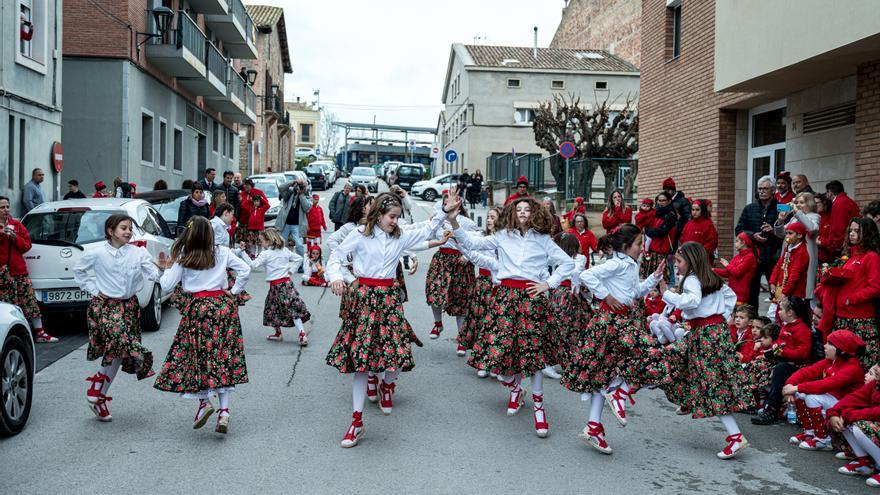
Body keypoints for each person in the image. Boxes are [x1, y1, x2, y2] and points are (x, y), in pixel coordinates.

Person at [448, 193, 575, 439]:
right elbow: (472, 244)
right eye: (519, 210)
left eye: (527, 209)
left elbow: (567, 264)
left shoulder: (543, 240)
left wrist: (548, 284)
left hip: (531, 298)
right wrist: (453, 221)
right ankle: (515, 388)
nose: (523, 213)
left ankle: (539, 408)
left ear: (535, 213)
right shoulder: (502, 236)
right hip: (505, 298)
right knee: (502, 352)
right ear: (513, 214)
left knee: (535, 355)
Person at [325, 193, 447, 448]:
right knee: (360, 361)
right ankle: (356, 421)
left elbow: (427, 229)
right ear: (378, 214)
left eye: (398, 217)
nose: (395, 221)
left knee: (398, 352)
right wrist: (336, 276)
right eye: (392, 217)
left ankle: (388, 385)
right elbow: (336, 256)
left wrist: (445, 211)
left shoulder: (399, 236)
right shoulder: (359, 234)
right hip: (364, 299)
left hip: (389, 299)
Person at [562, 224, 665, 454]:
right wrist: (606, 296)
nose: (642, 248)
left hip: (618, 322)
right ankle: (619, 395)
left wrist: (654, 278)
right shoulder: (617, 263)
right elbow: (586, 274)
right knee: (653, 357)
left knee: (603, 375)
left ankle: (594, 425)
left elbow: (634, 292)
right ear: (626, 246)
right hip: (611, 323)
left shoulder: (628, 264)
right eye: (639, 244)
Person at [154, 216, 251, 434]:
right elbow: (245, 269)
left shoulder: (184, 255)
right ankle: (224, 412)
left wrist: (165, 270)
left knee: (198, 358)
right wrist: (234, 292)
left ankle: (203, 403)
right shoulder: (223, 252)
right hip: (222, 308)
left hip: (198, 308)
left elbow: (167, 284)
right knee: (222, 357)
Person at [660, 242, 749, 459]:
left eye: (679, 262)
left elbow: (692, 301)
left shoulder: (691, 279)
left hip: (705, 334)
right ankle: (689, 400)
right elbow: (730, 297)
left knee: (710, 383)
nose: (676, 266)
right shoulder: (712, 278)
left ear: (690, 261)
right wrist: (721, 317)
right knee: (690, 368)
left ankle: (736, 437)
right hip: (714, 332)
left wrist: (667, 294)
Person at [73, 214, 160, 421]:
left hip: (129, 307)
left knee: (119, 352)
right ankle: (96, 388)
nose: (128, 232)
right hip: (105, 306)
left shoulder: (139, 252)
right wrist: (93, 289)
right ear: (111, 231)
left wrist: (163, 268)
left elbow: (154, 275)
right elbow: (79, 271)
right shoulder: (97, 253)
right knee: (120, 343)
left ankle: (100, 396)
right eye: (123, 228)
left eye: (130, 228)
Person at [783, 329, 865, 451]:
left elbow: (826, 384)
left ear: (841, 349)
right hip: (834, 400)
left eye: (830, 343)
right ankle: (810, 432)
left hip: (846, 405)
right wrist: (789, 384)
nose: (825, 346)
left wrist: (795, 388)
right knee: (800, 393)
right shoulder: (831, 361)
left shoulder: (852, 367)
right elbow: (806, 372)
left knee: (811, 396)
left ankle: (823, 439)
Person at [816, 218, 880, 369]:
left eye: (857, 231)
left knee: (863, 363)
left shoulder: (871, 257)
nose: (852, 234)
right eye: (850, 230)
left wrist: (850, 300)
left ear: (867, 234)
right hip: (843, 318)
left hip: (860, 320)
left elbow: (875, 287)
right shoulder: (850, 257)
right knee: (841, 364)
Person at [0, 196, 57, 343]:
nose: (6, 210)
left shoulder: (16, 225)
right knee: (7, 305)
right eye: (2, 207)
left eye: (7, 207)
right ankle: (11, 336)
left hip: (18, 271)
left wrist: (14, 237)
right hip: (2, 273)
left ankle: (40, 333)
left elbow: (26, 246)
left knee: (29, 302)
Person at [240, 228, 310, 344]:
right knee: (290, 308)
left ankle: (287, 333)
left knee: (272, 309)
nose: (261, 243)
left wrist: (243, 252)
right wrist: (291, 270)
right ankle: (299, 333)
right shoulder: (284, 250)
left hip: (276, 286)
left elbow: (253, 265)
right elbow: (299, 258)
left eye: (262, 241)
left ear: (269, 241)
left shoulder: (266, 254)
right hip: (287, 284)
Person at [751, 296, 813, 426]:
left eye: (781, 309)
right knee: (755, 364)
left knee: (779, 370)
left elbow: (803, 353)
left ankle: (771, 409)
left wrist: (781, 352)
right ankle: (755, 401)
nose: (778, 312)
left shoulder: (802, 329)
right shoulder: (785, 326)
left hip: (796, 366)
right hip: (782, 361)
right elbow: (779, 344)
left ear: (790, 312)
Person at [426, 192, 478, 339]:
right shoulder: (438, 220)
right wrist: (432, 224)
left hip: (460, 261)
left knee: (460, 299)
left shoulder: (467, 222)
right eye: (445, 203)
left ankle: (461, 336)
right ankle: (438, 323)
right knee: (434, 291)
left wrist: (466, 256)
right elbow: (427, 237)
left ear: (458, 203)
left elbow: (474, 242)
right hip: (442, 259)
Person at [457, 207, 502, 375]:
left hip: (499, 285)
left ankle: (494, 362)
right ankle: (483, 361)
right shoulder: (482, 237)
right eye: (488, 217)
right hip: (483, 284)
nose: (489, 220)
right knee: (481, 322)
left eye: (492, 217)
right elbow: (469, 242)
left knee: (495, 324)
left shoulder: (505, 240)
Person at [735, 175, 782, 309]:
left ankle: (778, 321)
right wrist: (752, 235)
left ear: (773, 190)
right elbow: (739, 229)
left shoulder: (782, 207)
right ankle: (752, 321)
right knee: (751, 291)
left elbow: (791, 230)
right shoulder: (749, 208)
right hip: (754, 256)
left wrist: (774, 230)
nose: (761, 191)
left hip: (774, 255)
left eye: (765, 189)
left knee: (777, 292)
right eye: (759, 188)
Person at [828, 365, 880, 485]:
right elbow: (854, 397)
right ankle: (865, 464)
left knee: (860, 425)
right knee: (844, 421)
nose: (876, 368)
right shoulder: (875, 384)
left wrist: (850, 415)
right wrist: (834, 413)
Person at [773, 192, 820, 296]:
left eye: (801, 202)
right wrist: (780, 220)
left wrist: (798, 213)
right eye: (797, 202)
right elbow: (781, 234)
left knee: (801, 288)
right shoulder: (794, 218)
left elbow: (812, 228)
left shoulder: (814, 216)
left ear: (810, 204)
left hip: (804, 255)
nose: (798, 205)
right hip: (789, 255)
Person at [769, 222, 810, 302]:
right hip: (782, 288)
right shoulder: (788, 247)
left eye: (790, 233)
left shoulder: (802, 252)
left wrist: (784, 293)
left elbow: (795, 275)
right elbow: (779, 265)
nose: (787, 236)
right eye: (786, 233)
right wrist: (772, 281)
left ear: (799, 235)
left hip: (793, 293)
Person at [714, 233, 758, 305]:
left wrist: (727, 265)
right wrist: (713, 270)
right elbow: (728, 273)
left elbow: (737, 272)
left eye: (737, 241)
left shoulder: (750, 257)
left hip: (741, 294)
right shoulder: (737, 256)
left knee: (737, 314)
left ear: (743, 242)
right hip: (732, 291)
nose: (735, 244)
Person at [642, 192, 677, 279]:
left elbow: (662, 231)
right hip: (651, 249)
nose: (661, 202)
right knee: (650, 277)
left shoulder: (671, 215)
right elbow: (646, 226)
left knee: (662, 278)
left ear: (669, 201)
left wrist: (649, 231)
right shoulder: (653, 213)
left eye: (663, 200)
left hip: (662, 250)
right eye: (659, 200)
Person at [275, 179, 311, 258]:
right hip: (286, 224)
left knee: (299, 245)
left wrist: (301, 195)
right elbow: (281, 187)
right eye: (299, 186)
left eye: (302, 186)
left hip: (297, 225)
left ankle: (300, 263)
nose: (300, 187)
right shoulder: (289, 194)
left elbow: (307, 208)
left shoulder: (307, 196)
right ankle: (280, 260)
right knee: (281, 243)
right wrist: (292, 182)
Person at [826, 180, 862, 257]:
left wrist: (837, 245)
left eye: (827, 192)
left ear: (830, 192)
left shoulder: (839, 203)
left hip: (843, 245)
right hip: (851, 241)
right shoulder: (848, 201)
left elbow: (839, 226)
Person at [679, 199, 718, 264]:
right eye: (693, 210)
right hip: (688, 258)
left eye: (697, 210)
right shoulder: (688, 224)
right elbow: (682, 239)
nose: (694, 212)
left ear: (702, 210)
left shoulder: (708, 224)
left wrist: (699, 253)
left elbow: (712, 242)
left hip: (701, 260)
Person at [662, 177, 691, 248]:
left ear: (673, 189)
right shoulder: (664, 200)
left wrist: (679, 230)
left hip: (677, 234)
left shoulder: (683, 201)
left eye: (668, 190)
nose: (666, 192)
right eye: (665, 190)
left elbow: (686, 218)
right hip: (665, 234)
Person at [240, 191, 269, 258]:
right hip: (251, 228)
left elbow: (268, 205)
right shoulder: (251, 209)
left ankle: (259, 254)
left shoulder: (262, 209)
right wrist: (250, 199)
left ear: (260, 202)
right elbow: (243, 205)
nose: (256, 202)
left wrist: (262, 199)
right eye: (255, 201)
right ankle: (253, 254)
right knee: (252, 242)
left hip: (259, 229)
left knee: (259, 243)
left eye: (257, 201)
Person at [816, 193, 835, 263]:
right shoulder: (813, 216)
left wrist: (821, 242)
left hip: (827, 257)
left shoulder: (831, 216)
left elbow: (833, 240)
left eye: (817, 203)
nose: (814, 205)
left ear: (824, 202)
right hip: (815, 255)